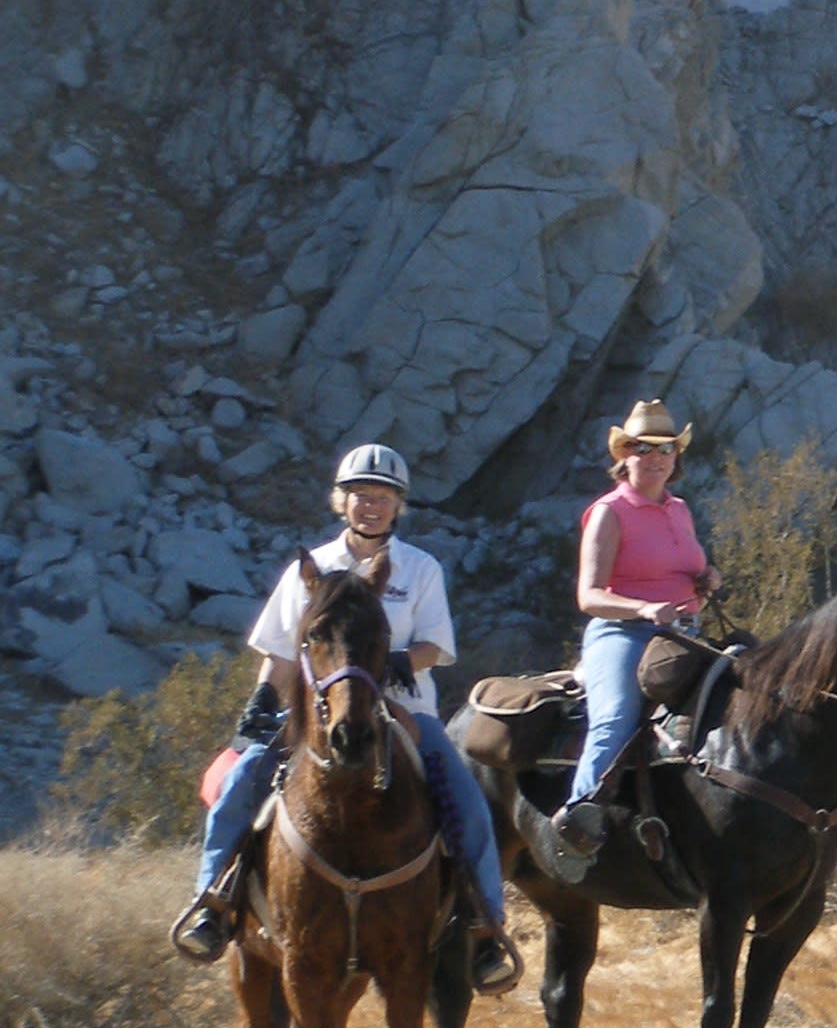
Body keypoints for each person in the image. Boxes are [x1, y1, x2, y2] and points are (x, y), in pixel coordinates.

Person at [171, 444, 519, 992]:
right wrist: (261, 703)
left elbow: (436, 644)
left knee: (467, 799)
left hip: (405, 707)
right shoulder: (310, 569)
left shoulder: (420, 569)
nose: (371, 507)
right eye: (360, 495)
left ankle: (484, 930)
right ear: (341, 501)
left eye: (383, 497)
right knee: (243, 780)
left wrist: (402, 660)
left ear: (399, 506)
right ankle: (212, 901)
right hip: (318, 712)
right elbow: (283, 651)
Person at [554, 399, 713, 859]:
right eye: (643, 448)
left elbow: (684, 571)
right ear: (624, 454)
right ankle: (580, 815)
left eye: (666, 449)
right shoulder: (609, 511)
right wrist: (644, 610)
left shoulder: (679, 509)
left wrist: (707, 581)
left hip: (684, 633)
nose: (656, 458)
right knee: (618, 716)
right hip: (621, 634)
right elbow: (590, 595)